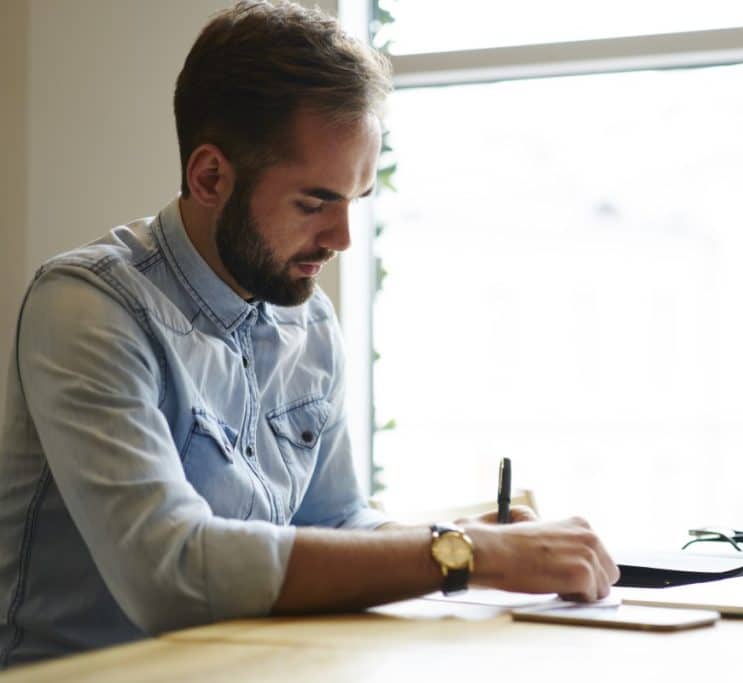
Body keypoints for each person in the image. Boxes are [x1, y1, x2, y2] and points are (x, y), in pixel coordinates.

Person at [0, 0, 618, 668]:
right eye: (315, 201)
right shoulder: (86, 307)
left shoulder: (308, 320)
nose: (342, 239)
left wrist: (464, 537)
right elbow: (169, 569)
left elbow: (336, 521)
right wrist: (461, 554)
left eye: (354, 201)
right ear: (210, 177)